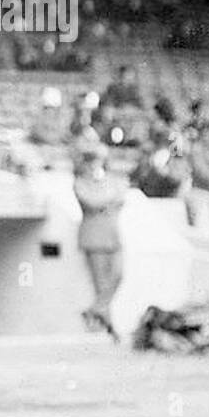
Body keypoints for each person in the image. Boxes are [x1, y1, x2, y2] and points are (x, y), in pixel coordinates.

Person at [73, 141, 126, 340]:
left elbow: (121, 198)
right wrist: (108, 199)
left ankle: (95, 311)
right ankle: (111, 328)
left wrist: (106, 198)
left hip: (112, 235)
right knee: (102, 285)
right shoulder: (80, 181)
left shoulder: (110, 180)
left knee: (118, 275)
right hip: (94, 237)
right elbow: (92, 202)